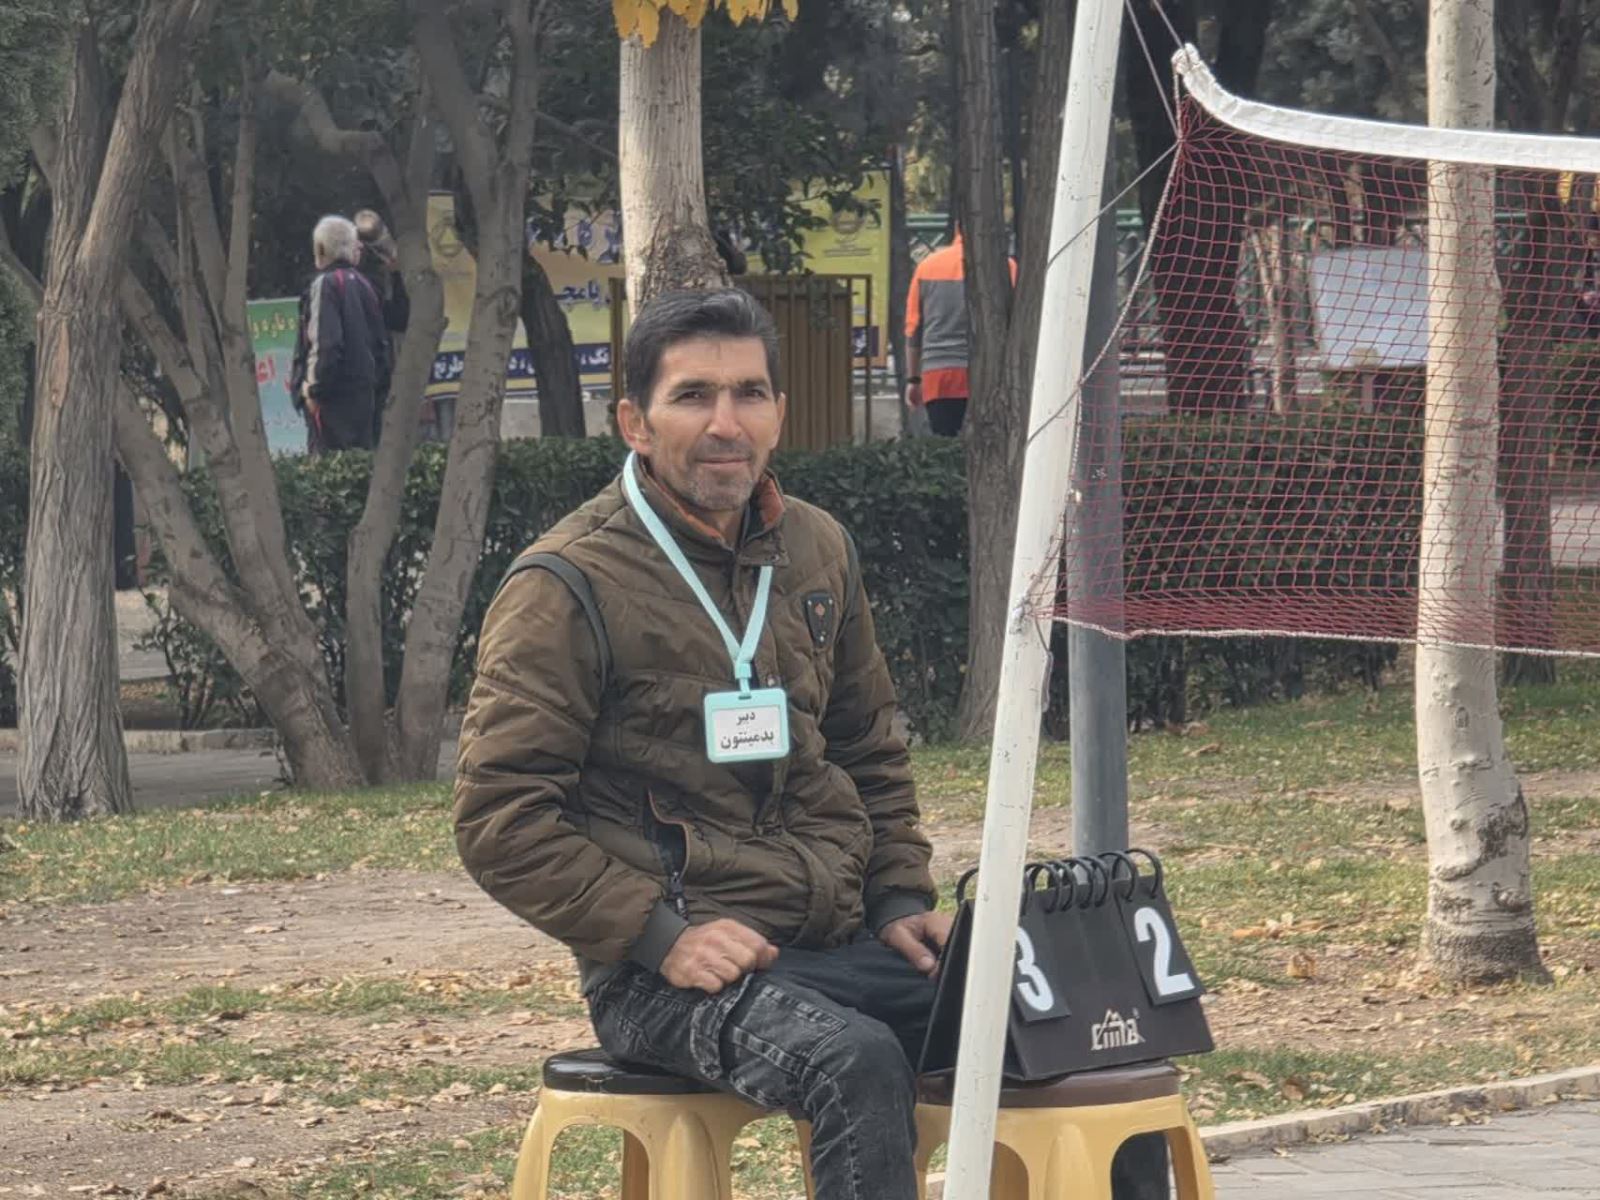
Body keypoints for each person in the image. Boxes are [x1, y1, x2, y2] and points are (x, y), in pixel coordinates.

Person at [455, 288, 951, 1199]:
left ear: (779, 413)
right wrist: (661, 936)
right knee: (854, 1061)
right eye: (693, 396)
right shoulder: (566, 582)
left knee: (1055, 1014)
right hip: (664, 977)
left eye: (749, 393)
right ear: (635, 423)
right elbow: (499, 818)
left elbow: (868, 747)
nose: (727, 423)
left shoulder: (818, 548)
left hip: (842, 938)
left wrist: (897, 897)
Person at [288, 215, 390, 454]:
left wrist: (312, 390)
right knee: (361, 466)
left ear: (321, 249)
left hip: (332, 402)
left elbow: (326, 344)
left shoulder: (326, 284)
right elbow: (381, 346)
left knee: (329, 469)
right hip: (366, 401)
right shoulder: (366, 285)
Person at [903, 227, 1016, 436]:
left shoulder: (927, 267)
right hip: (989, 375)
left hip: (938, 377)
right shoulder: (1006, 267)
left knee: (946, 442)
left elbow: (913, 329)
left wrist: (913, 380)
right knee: (988, 442)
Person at [354, 209, 411, 444]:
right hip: (369, 373)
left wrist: (396, 275)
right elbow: (399, 317)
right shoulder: (363, 283)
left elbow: (399, 317)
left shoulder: (365, 282)